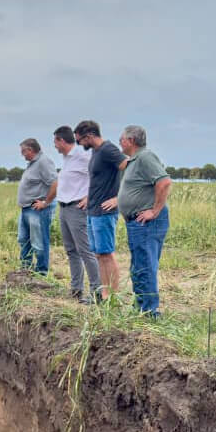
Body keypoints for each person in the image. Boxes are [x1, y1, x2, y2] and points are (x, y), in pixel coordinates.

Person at [37, 126, 101, 302]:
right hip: (64, 208)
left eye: (55, 143)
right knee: (72, 251)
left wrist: (90, 197)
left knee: (85, 250)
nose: (55, 147)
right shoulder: (67, 159)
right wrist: (47, 202)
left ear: (61, 141)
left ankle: (97, 293)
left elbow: (100, 175)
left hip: (77, 209)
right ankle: (76, 289)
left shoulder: (83, 155)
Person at [116, 125, 172, 317]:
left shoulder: (146, 157)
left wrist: (154, 211)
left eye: (121, 139)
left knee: (145, 266)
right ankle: (140, 307)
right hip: (136, 223)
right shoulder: (133, 161)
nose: (119, 142)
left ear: (131, 140)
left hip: (147, 223)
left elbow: (164, 182)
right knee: (138, 266)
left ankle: (149, 312)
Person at [74, 120, 125, 301]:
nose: (79, 144)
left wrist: (119, 198)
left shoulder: (108, 149)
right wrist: (89, 197)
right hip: (93, 210)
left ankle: (111, 297)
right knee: (99, 254)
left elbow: (129, 167)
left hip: (105, 212)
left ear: (89, 136)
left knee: (107, 254)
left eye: (79, 140)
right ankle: (104, 295)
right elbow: (99, 179)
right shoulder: (97, 152)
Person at [16, 138, 56, 275]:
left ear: (31, 150)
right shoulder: (33, 164)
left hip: (37, 209)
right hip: (26, 208)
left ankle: (41, 272)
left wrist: (46, 203)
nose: (22, 155)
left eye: (23, 151)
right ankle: (25, 269)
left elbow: (55, 183)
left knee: (39, 242)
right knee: (24, 239)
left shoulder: (43, 162)